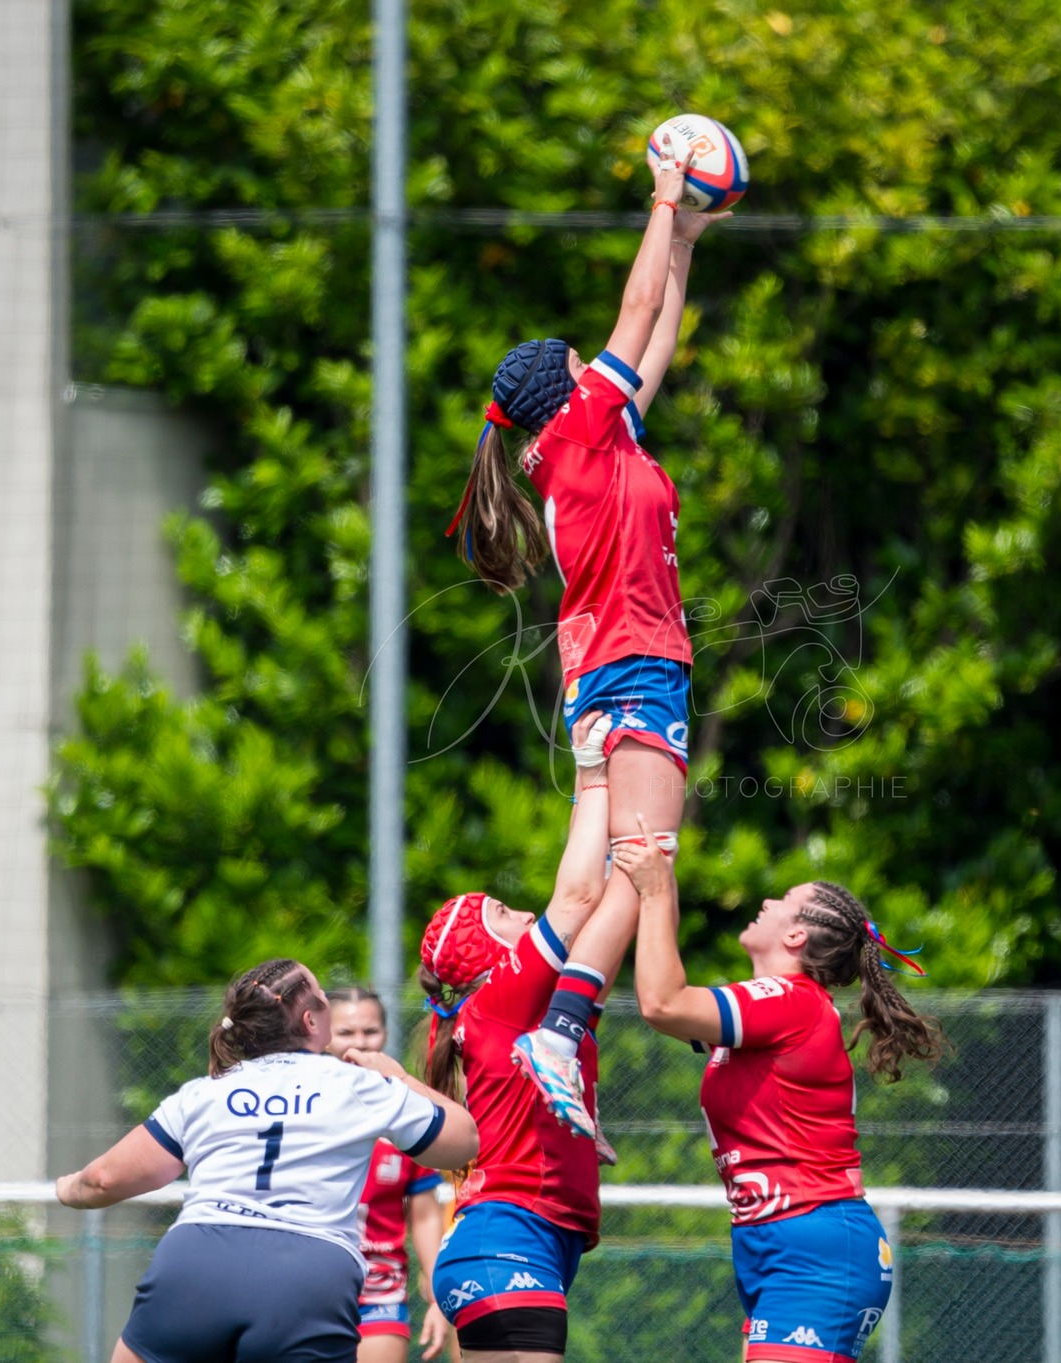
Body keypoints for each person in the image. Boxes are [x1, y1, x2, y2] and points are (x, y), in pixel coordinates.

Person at [445, 152, 729, 1136]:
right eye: (583, 363)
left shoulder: (598, 441)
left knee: (587, 880)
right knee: (644, 862)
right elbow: (635, 310)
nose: (599, 366)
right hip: (636, 665)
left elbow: (655, 334)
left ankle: (501, 1017)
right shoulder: (579, 430)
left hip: (602, 674)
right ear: (565, 386)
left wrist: (685, 240)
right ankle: (560, 1030)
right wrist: (660, 200)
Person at [619, 816, 945, 1363]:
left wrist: (656, 891)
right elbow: (672, 1000)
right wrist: (661, 885)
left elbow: (662, 1002)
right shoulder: (776, 1007)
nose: (768, 899)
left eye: (785, 900)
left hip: (816, 1249)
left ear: (796, 936)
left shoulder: (790, 1002)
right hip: (775, 1244)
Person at [56, 959, 479, 1363]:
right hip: (307, 1275)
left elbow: (103, 1180)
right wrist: (401, 1079)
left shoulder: (205, 1092)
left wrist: (66, 1189)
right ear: (313, 1022)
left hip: (196, 1263)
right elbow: (463, 1142)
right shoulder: (361, 1085)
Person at [418, 713, 614, 1362]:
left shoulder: (527, 1007)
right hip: (509, 1234)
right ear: (479, 951)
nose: (526, 913)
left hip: (530, 1238)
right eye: (503, 912)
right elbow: (583, 891)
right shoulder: (501, 994)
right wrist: (590, 767)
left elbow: (612, 913)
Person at [327, 986, 454, 1363]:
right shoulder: (302, 1102)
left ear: (385, 1033)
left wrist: (436, 1293)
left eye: (370, 1031)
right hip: (309, 1283)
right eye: (346, 1033)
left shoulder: (406, 1108)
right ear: (320, 1033)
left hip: (380, 1289)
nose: (360, 1043)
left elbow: (426, 1212)